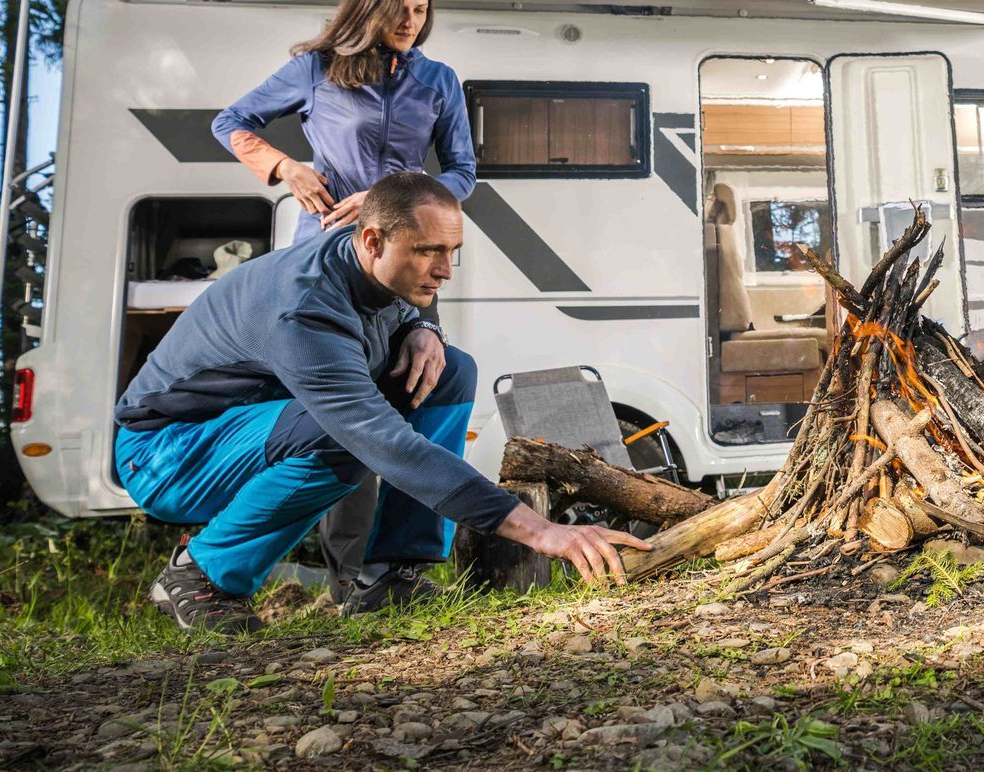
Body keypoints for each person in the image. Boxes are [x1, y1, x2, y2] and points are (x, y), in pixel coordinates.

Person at [115, 173, 647, 633]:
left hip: (250, 430)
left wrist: (419, 325)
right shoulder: (304, 310)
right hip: (168, 452)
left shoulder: (367, 269)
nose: (445, 271)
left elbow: (395, 324)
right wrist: (542, 531)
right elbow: (384, 443)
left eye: (451, 252)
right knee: (347, 435)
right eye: (427, 253)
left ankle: (389, 574)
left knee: (449, 370)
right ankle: (204, 573)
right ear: (371, 240)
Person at [211, 0, 479, 605]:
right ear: (370, 7)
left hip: (411, 267)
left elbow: (464, 172)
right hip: (334, 267)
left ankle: (400, 567)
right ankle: (352, 578)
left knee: (429, 389)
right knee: (347, 412)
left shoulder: (438, 81)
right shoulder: (316, 70)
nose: (412, 22)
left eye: (421, 10)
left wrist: (388, 197)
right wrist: (285, 169)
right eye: (400, 9)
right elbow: (231, 122)